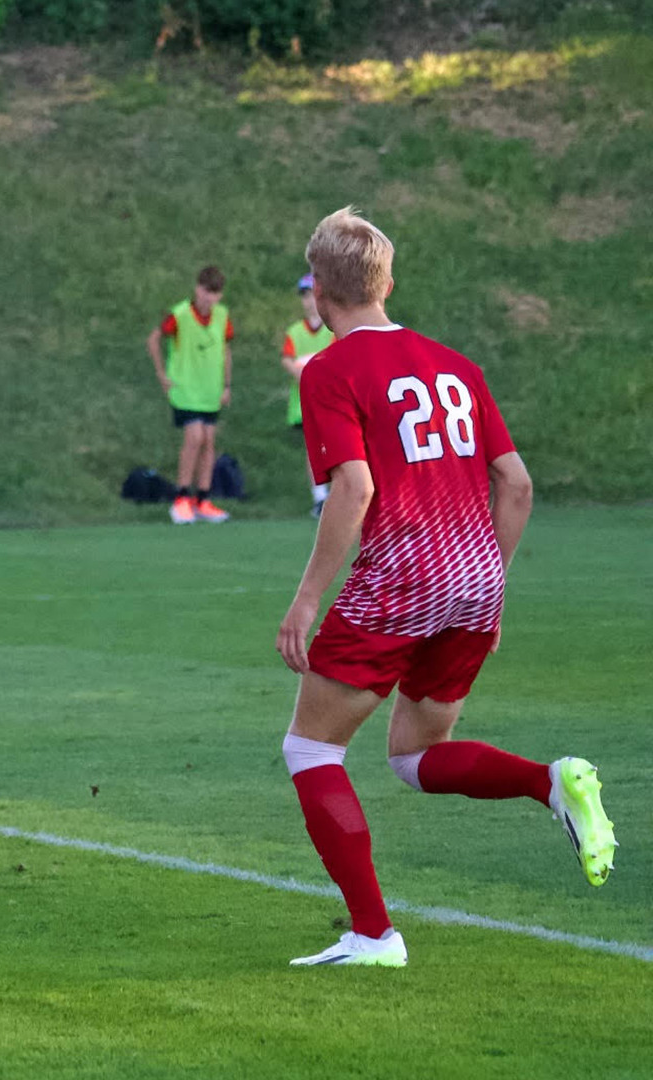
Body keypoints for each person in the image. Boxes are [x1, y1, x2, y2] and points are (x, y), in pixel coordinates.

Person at [275, 207, 614, 967]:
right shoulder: (457, 366)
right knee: (415, 755)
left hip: (400, 581)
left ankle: (373, 935)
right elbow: (516, 486)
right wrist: (486, 580)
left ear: (319, 294)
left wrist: (307, 599)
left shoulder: (330, 369)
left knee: (311, 749)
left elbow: (355, 490)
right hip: (476, 580)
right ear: (388, 283)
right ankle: (551, 783)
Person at [147, 266, 234, 524]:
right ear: (197, 289)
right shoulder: (181, 314)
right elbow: (153, 339)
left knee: (209, 440)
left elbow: (226, 351)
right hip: (186, 389)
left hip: (210, 390)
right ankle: (181, 498)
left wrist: (226, 385)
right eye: (206, 291)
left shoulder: (222, 316)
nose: (209, 298)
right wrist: (161, 374)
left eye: (214, 293)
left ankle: (203, 500)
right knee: (194, 436)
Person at [280, 273, 335, 517]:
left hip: (330, 400)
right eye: (305, 296)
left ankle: (339, 494)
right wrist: (300, 373)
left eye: (313, 295)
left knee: (335, 446)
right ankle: (319, 497)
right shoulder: (295, 332)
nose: (310, 301)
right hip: (305, 401)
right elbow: (287, 359)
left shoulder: (332, 328)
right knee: (314, 448)